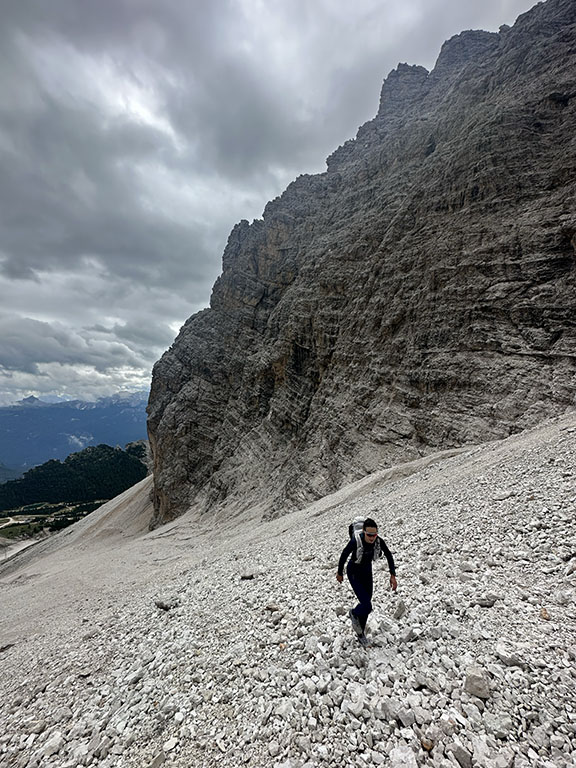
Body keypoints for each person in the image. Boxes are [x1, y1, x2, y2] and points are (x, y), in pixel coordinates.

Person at [337, 517, 397, 645]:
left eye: (374, 535)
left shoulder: (378, 541)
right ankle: (353, 613)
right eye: (369, 535)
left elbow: (388, 555)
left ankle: (360, 633)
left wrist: (392, 575)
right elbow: (344, 554)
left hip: (366, 571)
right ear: (364, 532)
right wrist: (339, 572)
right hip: (354, 572)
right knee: (367, 605)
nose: (372, 538)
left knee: (366, 604)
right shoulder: (356, 541)